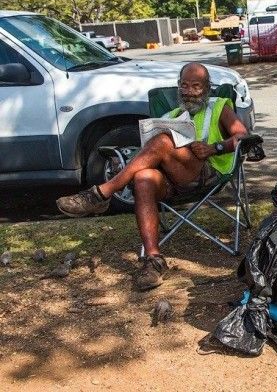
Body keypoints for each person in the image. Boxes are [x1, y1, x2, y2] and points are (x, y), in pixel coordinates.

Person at [56, 62, 248, 290]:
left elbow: (242, 136)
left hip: (207, 173)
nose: (189, 92)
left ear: (207, 88)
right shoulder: (171, 115)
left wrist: (214, 148)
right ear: (178, 86)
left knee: (164, 141)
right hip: (171, 180)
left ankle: (102, 192)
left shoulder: (219, 106)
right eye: (184, 86)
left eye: (196, 86)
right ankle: (153, 260)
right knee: (144, 177)